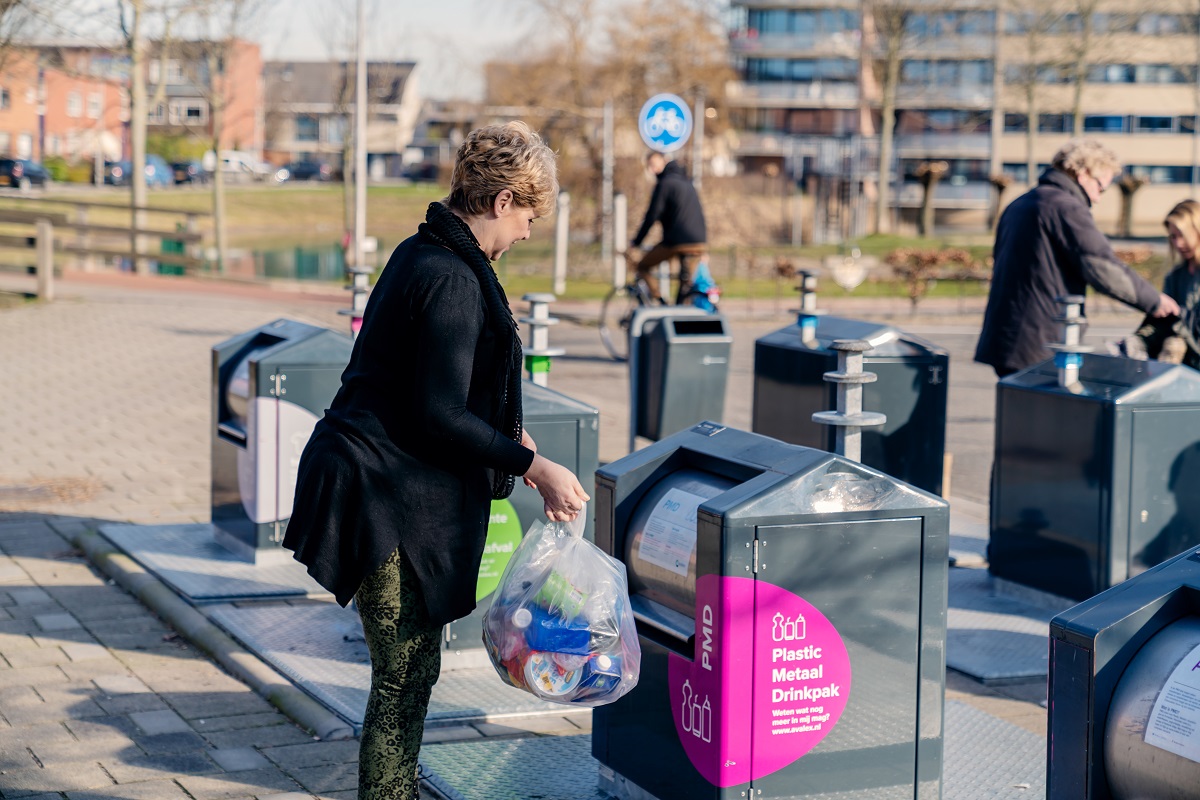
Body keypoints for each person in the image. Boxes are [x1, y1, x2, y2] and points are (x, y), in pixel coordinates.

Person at [282, 122, 590, 800]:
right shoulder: (451, 277)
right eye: (530, 216)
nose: (530, 233)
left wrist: (517, 442)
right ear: (504, 199)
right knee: (404, 678)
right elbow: (438, 414)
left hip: (376, 480)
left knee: (409, 674)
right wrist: (536, 468)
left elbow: (430, 390)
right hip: (381, 496)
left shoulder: (422, 251)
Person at [974, 138, 1180, 377]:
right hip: (1040, 340)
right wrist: (1154, 301)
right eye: (1101, 187)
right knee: (1048, 413)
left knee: (1017, 411)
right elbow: (1101, 265)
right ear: (1084, 174)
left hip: (1007, 337)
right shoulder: (1065, 207)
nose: (1098, 198)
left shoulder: (1020, 204)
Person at [1128, 199, 1200, 369]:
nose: (1178, 243)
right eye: (1173, 237)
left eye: (1183, 235)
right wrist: (1139, 340)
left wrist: (1179, 334)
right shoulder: (1175, 276)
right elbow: (1162, 321)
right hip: (1179, 371)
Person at [629, 151, 707, 304]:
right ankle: (680, 312)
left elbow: (652, 216)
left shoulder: (665, 184)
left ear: (664, 162)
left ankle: (660, 300)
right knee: (686, 284)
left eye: (653, 164)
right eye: (649, 166)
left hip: (677, 241)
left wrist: (637, 241)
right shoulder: (687, 182)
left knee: (642, 266)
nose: (652, 170)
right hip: (699, 241)